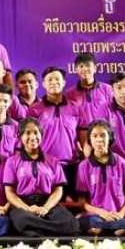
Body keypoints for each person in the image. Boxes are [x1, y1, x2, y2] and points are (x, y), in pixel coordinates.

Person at [3, 118, 79, 237]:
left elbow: (58, 190)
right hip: (23, 205)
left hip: (47, 203)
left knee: (71, 224)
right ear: (20, 136)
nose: (32, 137)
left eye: (36, 132)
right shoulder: (12, 161)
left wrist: (46, 208)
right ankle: (50, 230)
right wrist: (27, 208)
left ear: (41, 135)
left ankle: (37, 231)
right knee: (22, 220)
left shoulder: (53, 161)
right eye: (27, 133)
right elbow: (10, 193)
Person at [27, 67, 85, 199]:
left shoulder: (76, 108)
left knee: (73, 204)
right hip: (44, 166)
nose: (54, 82)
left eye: (57, 79)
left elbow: (83, 140)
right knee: (49, 204)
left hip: (71, 166)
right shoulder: (34, 109)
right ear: (43, 84)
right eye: (50, 80)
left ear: (63, 82)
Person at [75, 120, 125, 236]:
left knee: (121, 231)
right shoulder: (83, 166)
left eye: (103, 135)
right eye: (95, 136)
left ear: (110, 138)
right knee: (95, 230)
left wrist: (121, 214)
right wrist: (101, 212)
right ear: (90, 140)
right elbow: (82, 201)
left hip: (117, 214)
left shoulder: (121, 163)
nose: (99, 140)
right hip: (95, 214)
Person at [80, 72, 125, 157]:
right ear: (112, 90)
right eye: (119, 88)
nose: (124, 92)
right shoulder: (104, 109)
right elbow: (97, 135)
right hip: (115, 161)